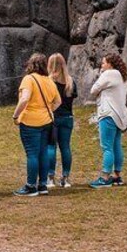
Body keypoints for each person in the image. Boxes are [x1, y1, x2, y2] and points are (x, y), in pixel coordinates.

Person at [12, 53, 62, 196]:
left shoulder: (28, 79)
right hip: (46, 121)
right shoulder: (49, 81)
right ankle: (42, 185)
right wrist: (46, 110)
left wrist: (15, 115)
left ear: (30, 65)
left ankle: (31, 186)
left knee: (32, 154)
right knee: (43, 153)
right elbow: (58, 101)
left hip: (29, 121)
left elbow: (24, 99)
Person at [89, 54, 127, 189]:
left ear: (110, 64)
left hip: (108, 113)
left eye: (103, 63)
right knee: (116, 145)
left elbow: (93, 90)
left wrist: (102, 74)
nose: (102, 66)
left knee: (106, 146)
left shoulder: (109, 74)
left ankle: (105, 177)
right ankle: (117, 176)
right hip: (119, 114)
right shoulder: (122, 76)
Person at [47, 53, 77, 188]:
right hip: (68, 117)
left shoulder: (48, 81)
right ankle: (65, 177)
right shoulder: (70, 81)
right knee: (65, 147)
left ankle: (50, 178)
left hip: (53, 117)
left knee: (51, 146)